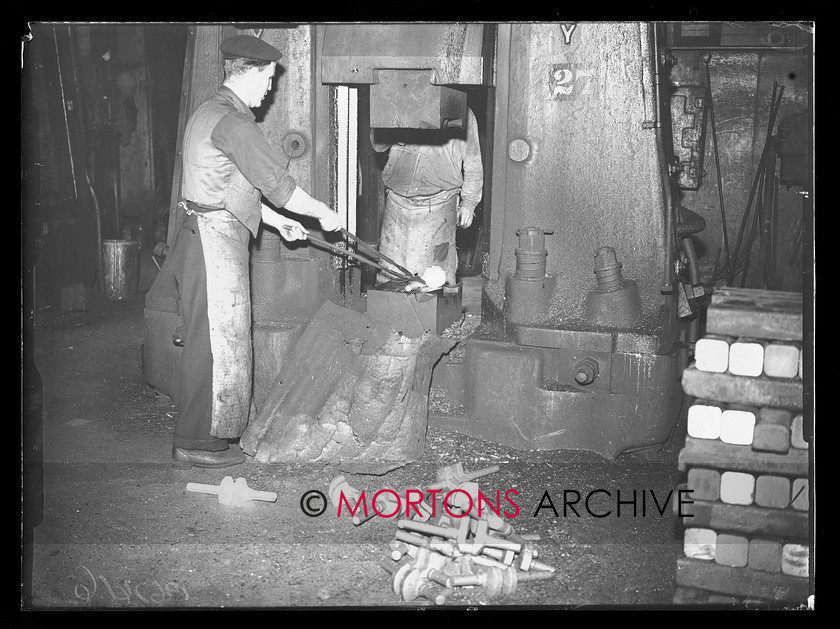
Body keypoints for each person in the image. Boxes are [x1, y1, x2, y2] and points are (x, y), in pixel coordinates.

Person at [168, 34, 341, 468]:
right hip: (213, 239)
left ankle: (200, 435)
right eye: (267, 78)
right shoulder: (236, 123)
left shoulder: (212, 111)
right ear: (248, 72)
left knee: (209, 339)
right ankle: (195, 442)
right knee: (213, 343)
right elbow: (279, 186)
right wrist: (322, 213)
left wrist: (279, 222)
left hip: (201, 231)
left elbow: (227, 183)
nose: (270, 89)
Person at [370, 107, 483, 287]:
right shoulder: (398, 100)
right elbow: (377, 144)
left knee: (434, 279)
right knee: (390, 276)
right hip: (397, 204)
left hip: (439, 206)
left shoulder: (460, 107)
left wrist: (469, 203)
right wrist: (396, 127)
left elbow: (473, 159)